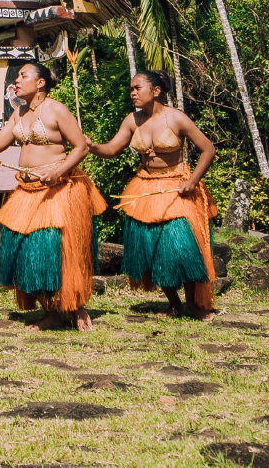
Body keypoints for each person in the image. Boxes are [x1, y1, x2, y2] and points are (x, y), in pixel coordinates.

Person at [0, 62, 106, 331]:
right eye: (17, 76)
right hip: (27, 191)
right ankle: (50, 313)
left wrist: (59, 172)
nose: (17, 80)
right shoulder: (18, 113)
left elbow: (81, 147)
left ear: (40, 83)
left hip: (58, 190)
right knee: (23, 251)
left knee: (54, 250)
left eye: (23, 75)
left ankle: (75, 306)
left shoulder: (55, 109)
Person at [88, 69, 219, 320]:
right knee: (151, 248)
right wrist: (93, 146)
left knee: (183, 248)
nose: (132, 93)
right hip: (145, 187)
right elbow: (113, 149)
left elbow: (208, 149)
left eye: (137, 88)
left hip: (176, 187)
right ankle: (173, 304)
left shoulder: (176, 118)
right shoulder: (132, 120)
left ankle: (195, 304)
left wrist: (192, 181)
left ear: (156, 91)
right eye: (131, 89)